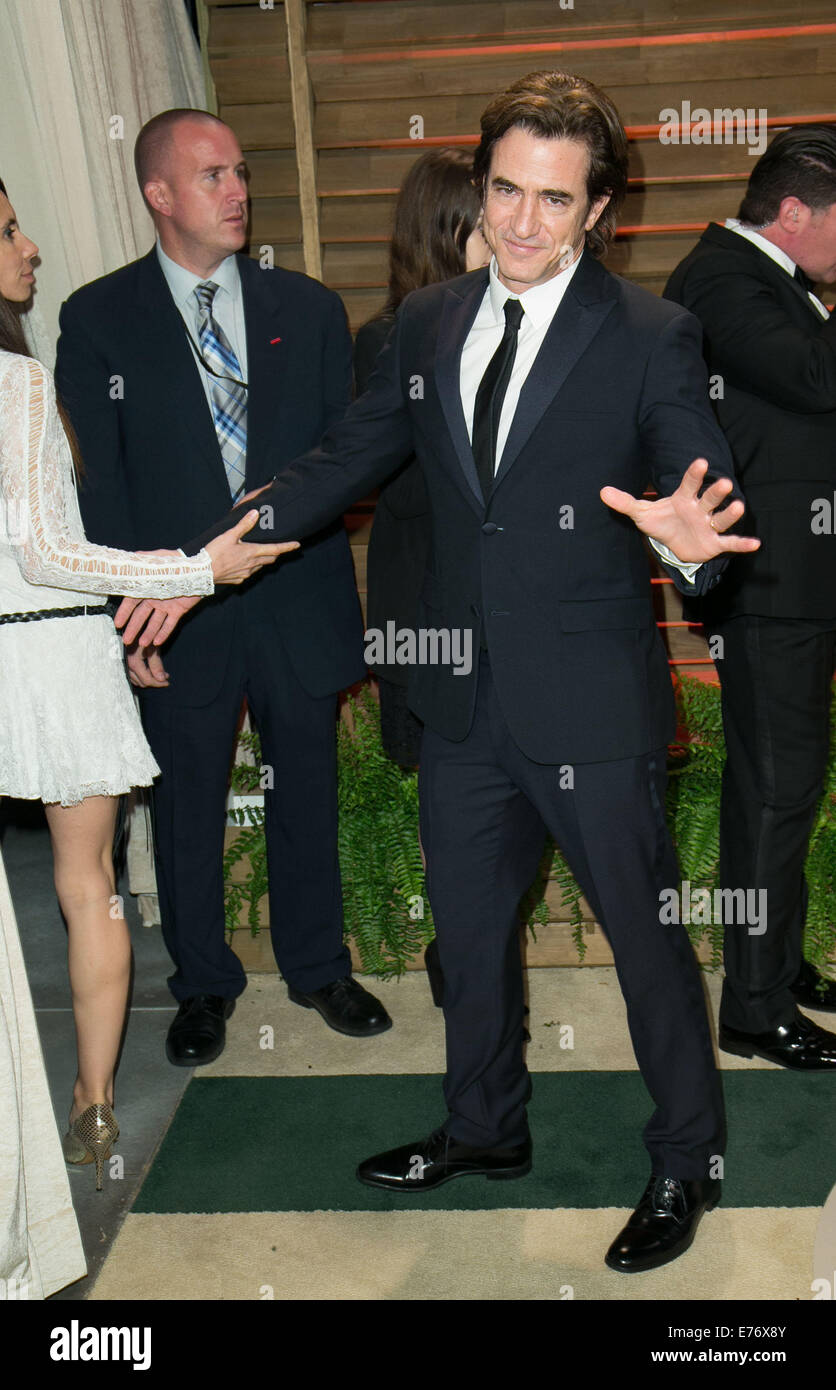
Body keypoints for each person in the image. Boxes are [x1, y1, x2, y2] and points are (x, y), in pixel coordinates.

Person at [126, 71, 760, 1274]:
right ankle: (484, 1130)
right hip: (462, 703)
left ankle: (687, 1158)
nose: (522, 223)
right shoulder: (425, 325)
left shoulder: (648, 333)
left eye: (553, 200)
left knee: (644, 945)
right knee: (466, 942)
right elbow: (337, 461)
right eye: (506, 191)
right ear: (481, 185)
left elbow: (692, 474)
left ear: (597, 210)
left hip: (587, 706)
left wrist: (692, 544)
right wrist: (207, 563)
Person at [55, 109, 391, 1070]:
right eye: (212, 177)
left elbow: (343, 454)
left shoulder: (310, 309)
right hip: (171, 605)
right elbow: (100, 483)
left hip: (297, 591)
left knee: (306, 789)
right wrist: (132, 620)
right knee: (188, 802)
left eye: (240, 172)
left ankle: (319, 965)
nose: (237, 191)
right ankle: (202, 983)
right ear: (159, 194)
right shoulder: (98, 316)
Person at [0, 175, 290, 1198]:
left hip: (53, 641)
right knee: (93, 891)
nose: (29, 247)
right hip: (48, 649)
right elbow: (43, 550)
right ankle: (90, 1100)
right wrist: (192, 572)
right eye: (6, 230)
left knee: (86, 893)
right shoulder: (19, 383)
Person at [664, 126, 836, 1069]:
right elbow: (817, 379)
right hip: (770, 588)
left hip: (795, 581)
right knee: (777, 793)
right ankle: (755, 1006)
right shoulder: (721, 276)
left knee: (782, 791)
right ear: (796, 213)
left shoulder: (772, 281)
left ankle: (774, 967)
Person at [355, 148, 490, 1004]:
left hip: (504, 610)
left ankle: (480, 952)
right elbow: (390, 485)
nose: (512, 230)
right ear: (448, 233)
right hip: (427, 615)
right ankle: (460, 955)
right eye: (487, 216)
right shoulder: (388, 338)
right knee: (450, 800)